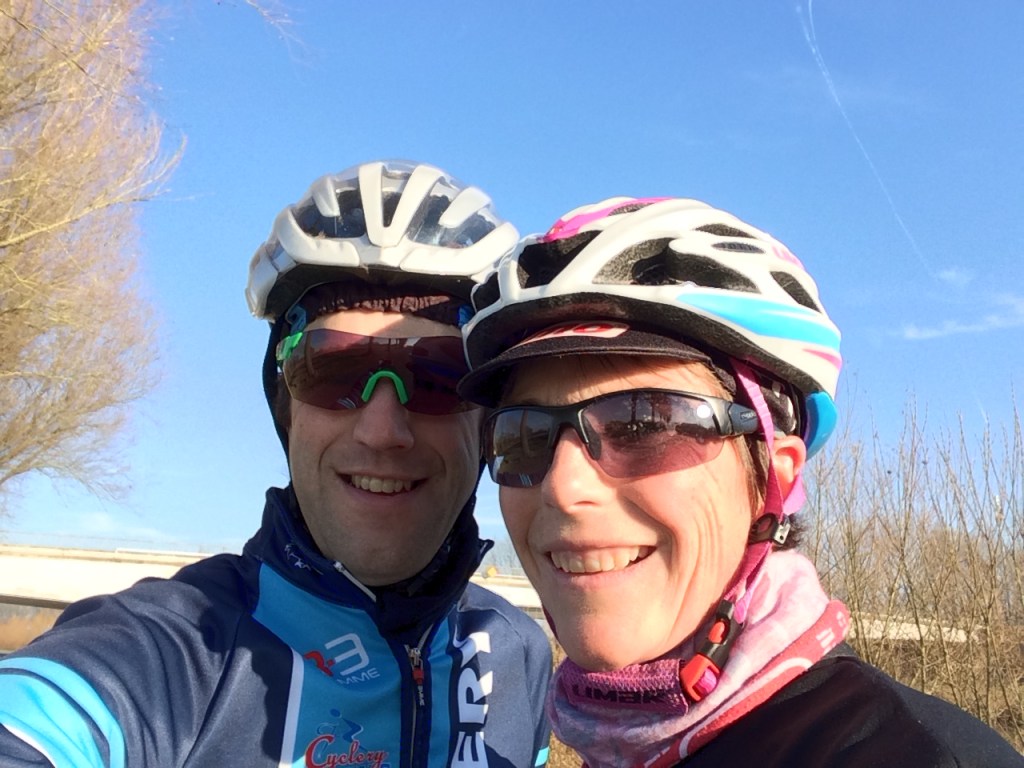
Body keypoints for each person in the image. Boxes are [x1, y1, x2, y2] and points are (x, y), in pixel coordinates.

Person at [0, 160, 552, 767]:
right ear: (284, 406)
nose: (382, 431)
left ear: (486, 423)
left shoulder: (520, 655)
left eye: (440, 376)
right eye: (331, 369)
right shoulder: (167, 655)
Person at [457, 196, 1024, 767]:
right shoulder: (614, 743)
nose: (562, 486)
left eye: (643, 423)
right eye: (522, 435)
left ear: (775, 477)